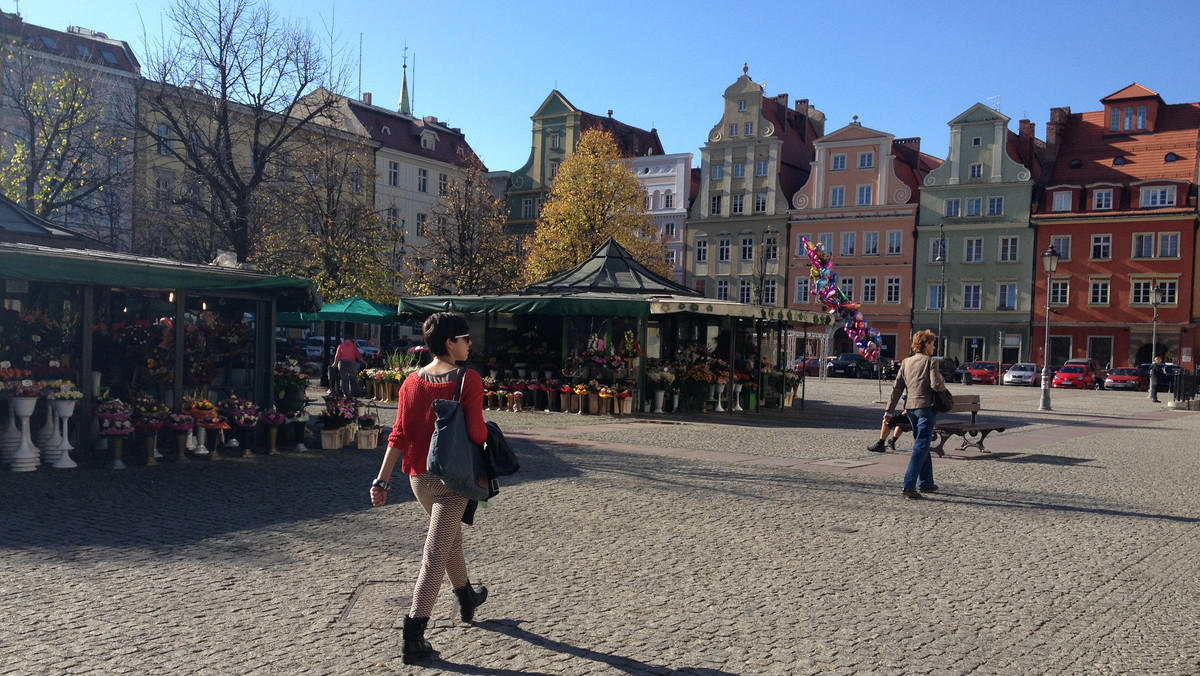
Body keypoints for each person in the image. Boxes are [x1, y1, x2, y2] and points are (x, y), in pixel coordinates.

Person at [369, 313, 489, 664]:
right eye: (465, 337)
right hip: (453, 482)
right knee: (435, 553)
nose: (470, 343)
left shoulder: (410, 382)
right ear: (451, 343)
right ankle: (413, 635)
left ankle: (467, 597)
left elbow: (399, 435)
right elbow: (478, 434)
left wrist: (382, 479)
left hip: (419, 480)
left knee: (449, 540)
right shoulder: (469, 380)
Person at [884, 329, 949, 499]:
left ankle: (926, 483)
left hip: (911, 408)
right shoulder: (931, 361)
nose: (934, 347)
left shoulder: (906, 362)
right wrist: (944, 388)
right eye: (932, 343)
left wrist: (889, 411)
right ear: (926, 345)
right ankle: (908, 485)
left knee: (923, 444)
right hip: (927, 407)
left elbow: (897, 387)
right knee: (921, 446)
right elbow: (935, 384)